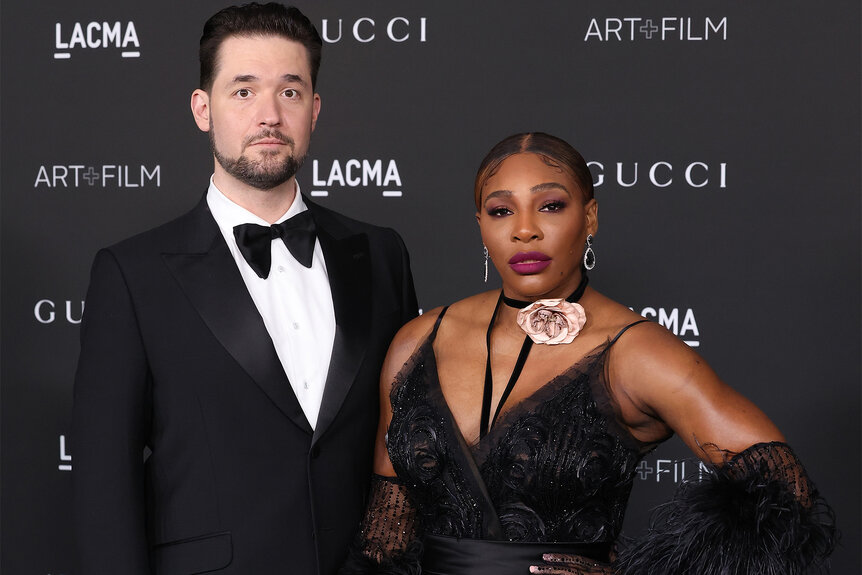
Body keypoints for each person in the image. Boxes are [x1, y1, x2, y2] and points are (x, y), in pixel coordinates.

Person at [341, 133, 835, 575]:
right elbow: (387, 536)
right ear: (481, 225)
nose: (525, 230)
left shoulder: (634, 351)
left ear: (590, 216)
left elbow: (787, 496)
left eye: (550, 206)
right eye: (501, 210)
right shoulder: (419, 340)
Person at [72, 4, 417, 574]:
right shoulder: (132, 274)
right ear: (202, 109)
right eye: (243, 91)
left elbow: (406, 443)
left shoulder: (382, 253)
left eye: (290, 92)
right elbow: (103, 485)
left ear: (315, 109)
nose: (269, 115)